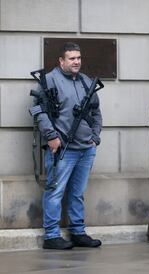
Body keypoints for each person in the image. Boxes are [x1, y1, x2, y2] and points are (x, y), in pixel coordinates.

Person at [34, 42, 103, 250]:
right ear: (61, 61)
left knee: (77, 193)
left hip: (86, 149)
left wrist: (95, 137)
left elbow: (96, 112)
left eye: (79, 58)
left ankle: (78, 232)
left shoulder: (86, 82)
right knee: (55, 192)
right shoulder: (49, 80)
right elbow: (39, 110)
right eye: (72, 58)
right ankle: (52, 235)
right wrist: (51, 136)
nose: (76, 62)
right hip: (62, 150)